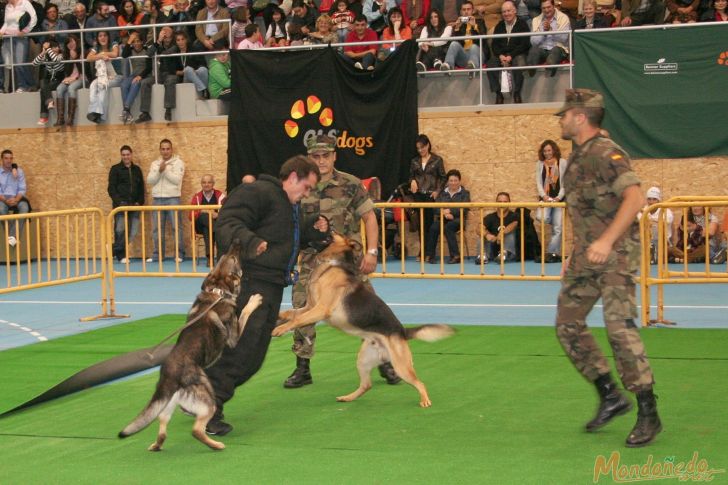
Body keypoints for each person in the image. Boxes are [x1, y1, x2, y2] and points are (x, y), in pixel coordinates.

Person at [555, 88, 661, 448]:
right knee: (567, 325)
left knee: (619, 329)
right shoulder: (578, 156)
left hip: (614, 256)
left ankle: (648, 411)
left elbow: (634, 197)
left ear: (580, 117)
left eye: (565, 114)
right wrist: (575, 250)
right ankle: (610, 396)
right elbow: (585, 212)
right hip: (586, 257)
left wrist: (604, 242)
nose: (561, 119)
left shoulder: (606, 153)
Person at [204, 155, 327, 436]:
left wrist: (314, 230)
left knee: (253, 356)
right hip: (249, 284)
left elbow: (284, 237)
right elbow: (227, 222)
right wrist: (251, 242)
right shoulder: (259, 192)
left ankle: (198, 393)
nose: (307, 194)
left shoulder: (288, 205)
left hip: (270, 286)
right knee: (242, 351)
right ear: (293, 177)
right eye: (306, 187)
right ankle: (208, 405)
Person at [282, 135, 401, 389]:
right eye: (316, 156)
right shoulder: (302, 186)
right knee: (302, 305)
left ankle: (384, 362)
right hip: (313, 260)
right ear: (309, 158)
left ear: (335, 155)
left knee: (368, 312)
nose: (321, 160)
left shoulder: (350, 184)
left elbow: (369, 218)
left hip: (349, 263)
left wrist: (371, 252)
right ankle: (302, 367)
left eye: (326, 155)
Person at [146, 139, 186, 263]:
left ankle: (179, 254)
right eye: (163, 149)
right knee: (157, 229)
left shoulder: (179, 163)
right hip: (157, 199)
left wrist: (165, 170)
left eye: (167, 148)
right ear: (160, 150)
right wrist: (159, 170)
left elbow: (177, 180)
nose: (165, 151)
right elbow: (150, 181)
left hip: (173, 198)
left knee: (176, 227)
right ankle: (158, 255)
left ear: (171, 149)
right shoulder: (155, 164)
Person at [409, 133, 446, 260]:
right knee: (420, 224)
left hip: (431, 195)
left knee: (429, 225)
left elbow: (442, 177)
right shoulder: (414, 161)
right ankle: (422, 251)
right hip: (418, 195)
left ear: (428, 145)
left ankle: (430, 253)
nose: (420, 150)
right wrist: (412, 181)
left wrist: (437, 191)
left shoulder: (437, 160)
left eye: (422, 147)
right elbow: (411, 176)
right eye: (418, 148)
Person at [486, 0, 530, 104]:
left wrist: (511, 55)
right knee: (491, 64)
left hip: (517, 54)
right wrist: (501, 55)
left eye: (509, 11)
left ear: (515, 11)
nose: (506, 14)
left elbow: (525, 44)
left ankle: (517, 92)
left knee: (519, 62)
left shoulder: (522, 24)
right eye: (504, 12)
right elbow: (494, 45)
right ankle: (498, 94)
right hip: (502, 55)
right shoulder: (499, 25)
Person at [108, 145, 145, 263]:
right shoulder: (115, 169)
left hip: (135, 206)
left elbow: (141, 188)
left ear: (131, 155)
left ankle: (112, 249)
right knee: (120, 230)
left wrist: (140, 202)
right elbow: (111, 189)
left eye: (128, 154)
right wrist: (119, 203)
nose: (126, 157)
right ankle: (121, 256)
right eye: (123, 155)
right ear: (121, 155)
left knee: (133, 232)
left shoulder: (137, 170)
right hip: (120, 207)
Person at [424, 169, 471, 264]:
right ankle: (430, 255)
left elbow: (465, 208)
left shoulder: (465, 193)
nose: (453, 183)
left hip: (458, 220)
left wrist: (451, 212)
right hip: (442, 218)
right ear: (448, 182)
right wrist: (444, 213)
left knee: (448, 228)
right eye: (451, 181)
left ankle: (455, 256)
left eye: (455, 180)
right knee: (433, 228)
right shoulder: (441, 193)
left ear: (459, 181)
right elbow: (436, 208)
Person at [534, 139, 566, 262]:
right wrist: (544, 196)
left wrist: (559, 197)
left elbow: (565, 182)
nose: (547, 153)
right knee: (542, 217)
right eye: (545, 151)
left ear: (554, 150)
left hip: (559, 199)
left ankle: (552, 253)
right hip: (546, 199)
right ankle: (553, 252)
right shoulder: (540, 164)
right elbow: (538, 182)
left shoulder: (562, 163)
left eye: (549, 150)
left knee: (557, 228)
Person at [439, 1, 487, 77]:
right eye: (464, 10)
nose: (466, 12)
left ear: (473, 10)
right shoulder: (459, 25)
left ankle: (473, 70)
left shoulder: (480, 22)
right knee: (454, 44)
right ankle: (448, 66)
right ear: (461, 12)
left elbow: (484, 41)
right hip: (464, 57)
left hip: (478, 55)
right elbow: (452, 45)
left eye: (468, 9)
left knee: (473, 47)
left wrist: (474, 26)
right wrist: (457, 29)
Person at [1, 0, 38, 93]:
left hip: (21, 37)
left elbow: (34, 18)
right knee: (12, 62)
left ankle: (25, 85)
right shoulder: (8, 6)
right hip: (8, 38)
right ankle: (28, 85)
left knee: (20, 62)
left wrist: (25, 30)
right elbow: (6, 23)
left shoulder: (25, 3)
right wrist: (1, 31)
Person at [86, 31, 122, 124]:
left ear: (108, 37)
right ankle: (94, 111)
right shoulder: (96, 47)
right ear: (97, 38)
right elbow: (89, 58)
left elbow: (115, 54)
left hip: (116, 76)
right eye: (100, 36)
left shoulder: (114, 44)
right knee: (93, 85)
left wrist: (102, 54)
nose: (102, 38)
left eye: (105, 35)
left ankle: (99, 114)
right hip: (103, 76)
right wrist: (101, 55)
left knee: (102, 85)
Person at [527, 0, 570, 78]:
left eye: (548, 7)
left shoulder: (564, 17)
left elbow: (564, 38)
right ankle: (530, 72)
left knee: (555, 51)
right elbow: (533, 42)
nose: (546, 10)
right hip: (542, 50)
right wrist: (544, 32)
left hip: (559, 49)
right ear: (540, 8)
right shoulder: (536, 20)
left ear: (554, 6)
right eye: (544, 8)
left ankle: (550, 69)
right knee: (533, 50)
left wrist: (551, 29)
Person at [190, 174, 226, 263]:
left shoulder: (220, 196)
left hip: (211, 225)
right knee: (204, 216)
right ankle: (216, 230)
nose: (206, 184)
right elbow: (190, 215)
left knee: (207, 229)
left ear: (213, 184)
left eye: (209, 182)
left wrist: (218, 215)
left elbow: (227, 212)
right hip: (199, 226)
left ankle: (209, 258)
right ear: (201, 184)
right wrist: (203, 211)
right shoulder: (197, 197)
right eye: (204, 182)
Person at [477, 191, 519, 264]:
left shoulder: (514, 216)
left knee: (509, 235)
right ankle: (483, 256)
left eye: (505, 202)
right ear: (496, 203)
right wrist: (486, 235)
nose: (502, 204)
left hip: (509, 250)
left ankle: (503, 255)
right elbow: (478, 228)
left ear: (509, 203)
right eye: (500, 201)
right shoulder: (490, 217)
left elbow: (514, 224)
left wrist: (502, 233)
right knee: (481, 236)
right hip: (493, 248)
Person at [119, 32, 152, 124]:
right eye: (134, 42)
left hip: (144, 75)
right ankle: (127, 112)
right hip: (134, 74)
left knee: (135, 83)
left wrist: (140, 76)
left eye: (138, 41)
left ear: (142, 42)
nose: (136, 44)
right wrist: (129, 41)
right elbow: (124, 55)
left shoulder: (146, 50)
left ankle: (126, 109)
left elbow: (149, 68)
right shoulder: (131, 50)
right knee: (124, 84)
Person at [0, 150, 31, 248]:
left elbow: (22, 189)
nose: (9, 160)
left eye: (11, 158)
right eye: (6, 158)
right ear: (1, 159)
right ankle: (12, 236)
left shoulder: (19, 171)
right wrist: (6, 200)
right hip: (3, 199)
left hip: (17, 198)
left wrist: (16, 200)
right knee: (1, 209)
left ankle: (11, 236)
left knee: (25, 208)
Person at [32, 40, 64, 126]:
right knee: (43, 82)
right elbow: (34, 63)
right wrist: (43, 52)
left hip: (59, 80)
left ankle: (44, 116)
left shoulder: (61, 56)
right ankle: (49, 102)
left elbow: (56, 60)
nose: (56, 48)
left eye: (56, 47)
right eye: (53, 47)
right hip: (50, 81)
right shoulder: (47, 57)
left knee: (43, 89)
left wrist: (48, 49)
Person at [54, 35, 85, 126]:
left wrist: (75, 58)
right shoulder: (66, 55)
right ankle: (60, 118)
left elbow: (83, 70)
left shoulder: (82, 52)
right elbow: (67, 72)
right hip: (70, 78)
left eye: (72, 41)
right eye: (68, 43)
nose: (70, 44)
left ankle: (70, 118)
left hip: (82, 78)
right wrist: (71, 58)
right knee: (59, 88)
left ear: (76, 41)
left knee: (71, 88)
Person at [638, 186, 673, 264]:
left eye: (654, 199)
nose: (651, 202)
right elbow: (638, 223)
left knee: (670, 251)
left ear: (658, 201)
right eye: (649, 199)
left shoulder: (666, 210)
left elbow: (666, 221)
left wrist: (650, 221)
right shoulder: (642, 210)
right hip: (645, 241)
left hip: (662, 242)